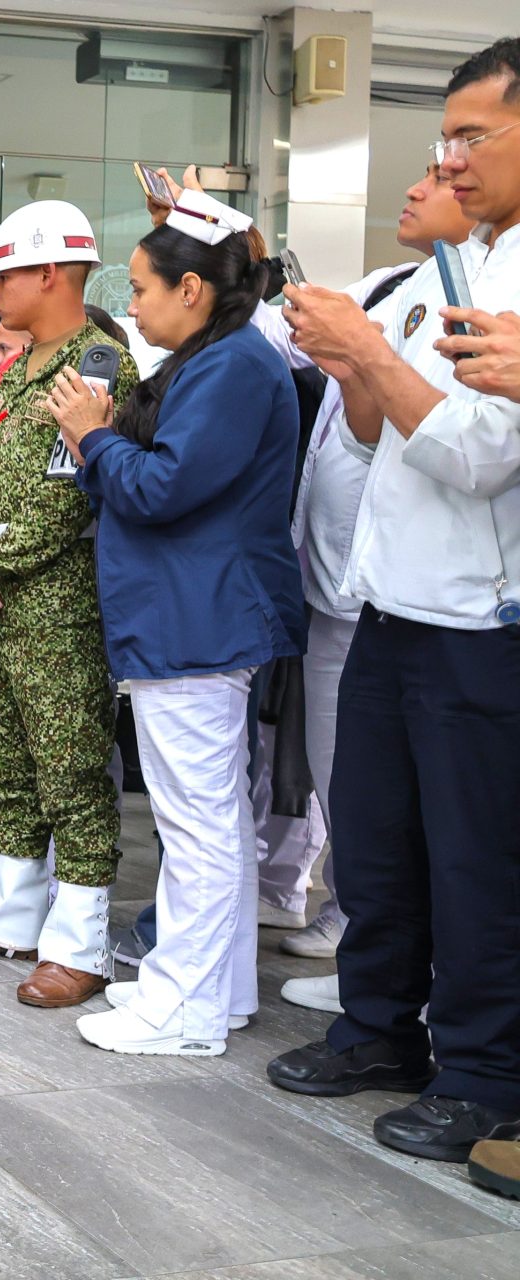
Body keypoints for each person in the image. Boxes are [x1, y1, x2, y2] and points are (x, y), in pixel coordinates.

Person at [266, 39, 520, 1163]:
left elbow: (475, 457)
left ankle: (482, 1073)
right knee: (378, 844)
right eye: (441, 138)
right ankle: (379, 1027)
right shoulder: (438, 276)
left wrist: (367, 350)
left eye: (471, 136)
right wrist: (354, 356)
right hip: (391, 605)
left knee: (474, 862)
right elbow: (378, 436)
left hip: (479, 622)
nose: (447, 162)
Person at [48, 191, 304, 1056]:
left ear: (191, 288)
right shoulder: (216, 359)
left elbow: (162, 488)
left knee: (197, 827)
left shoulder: (232, 365)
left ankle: (185, 1010)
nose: (131, 306)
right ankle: (214, 994)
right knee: (208, 821)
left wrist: (92, 437)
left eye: (139, 288)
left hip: (199, 616)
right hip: (187, 614)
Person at [0, 200, 141, 1010]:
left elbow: (66, 497)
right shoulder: (16, 368)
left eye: (4, 276)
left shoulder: (99, 366)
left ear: (50, 273)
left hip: (57, 610)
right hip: (0, 607)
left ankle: (80, 945)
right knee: (8, 769)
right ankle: (11, 915)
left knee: (71, 774)